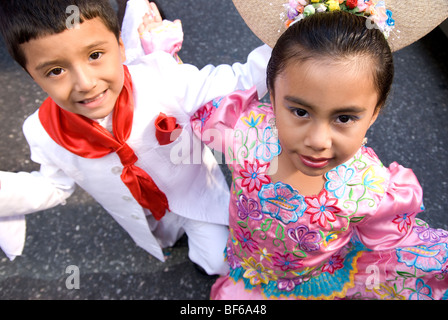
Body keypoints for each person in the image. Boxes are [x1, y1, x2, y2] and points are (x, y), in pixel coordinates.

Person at [190, 1, 448, 299]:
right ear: (272, 95)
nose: (318, 140)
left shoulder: (373, 191)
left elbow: (391, 249)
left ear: (375, 112)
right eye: (300, 112)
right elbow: (195, 113)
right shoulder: (241, 129)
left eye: (344, 118)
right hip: (243, 266)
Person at [0, 0, 271, 276]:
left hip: (194, 198)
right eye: (55, 71)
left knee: (218, 262)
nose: (85, 83)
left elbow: (239, 81)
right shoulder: (42, 132)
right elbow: (55, 184)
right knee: (166, 238)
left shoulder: (162, 77)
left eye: (94, 55)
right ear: (32, 76)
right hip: (144, 219)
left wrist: (293, 36)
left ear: (120, 47)